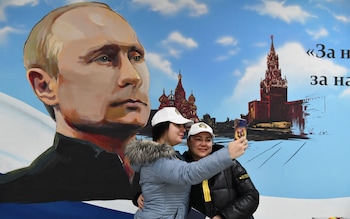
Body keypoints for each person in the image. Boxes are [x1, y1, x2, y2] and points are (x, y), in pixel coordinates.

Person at [0, 2, 150, 203]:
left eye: (136, 57)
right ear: (44, 86)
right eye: (104, 57)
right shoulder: (16, 198)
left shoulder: (174, 178)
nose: (133, 76)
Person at [125, 107, 249, 219]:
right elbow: (188, 173)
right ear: (163, 126)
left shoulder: (175, 158)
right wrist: (228, 154)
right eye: (177, 125)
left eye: (208, 139)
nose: (183, 129)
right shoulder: (157, 158)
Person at [183, 122, 259, 219]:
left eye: (208, 140)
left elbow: (251, 196)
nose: (203, 144)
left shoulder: (230, 164)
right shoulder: (183, 168)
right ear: (188, 142)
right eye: (198, 139)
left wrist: (223, 216)